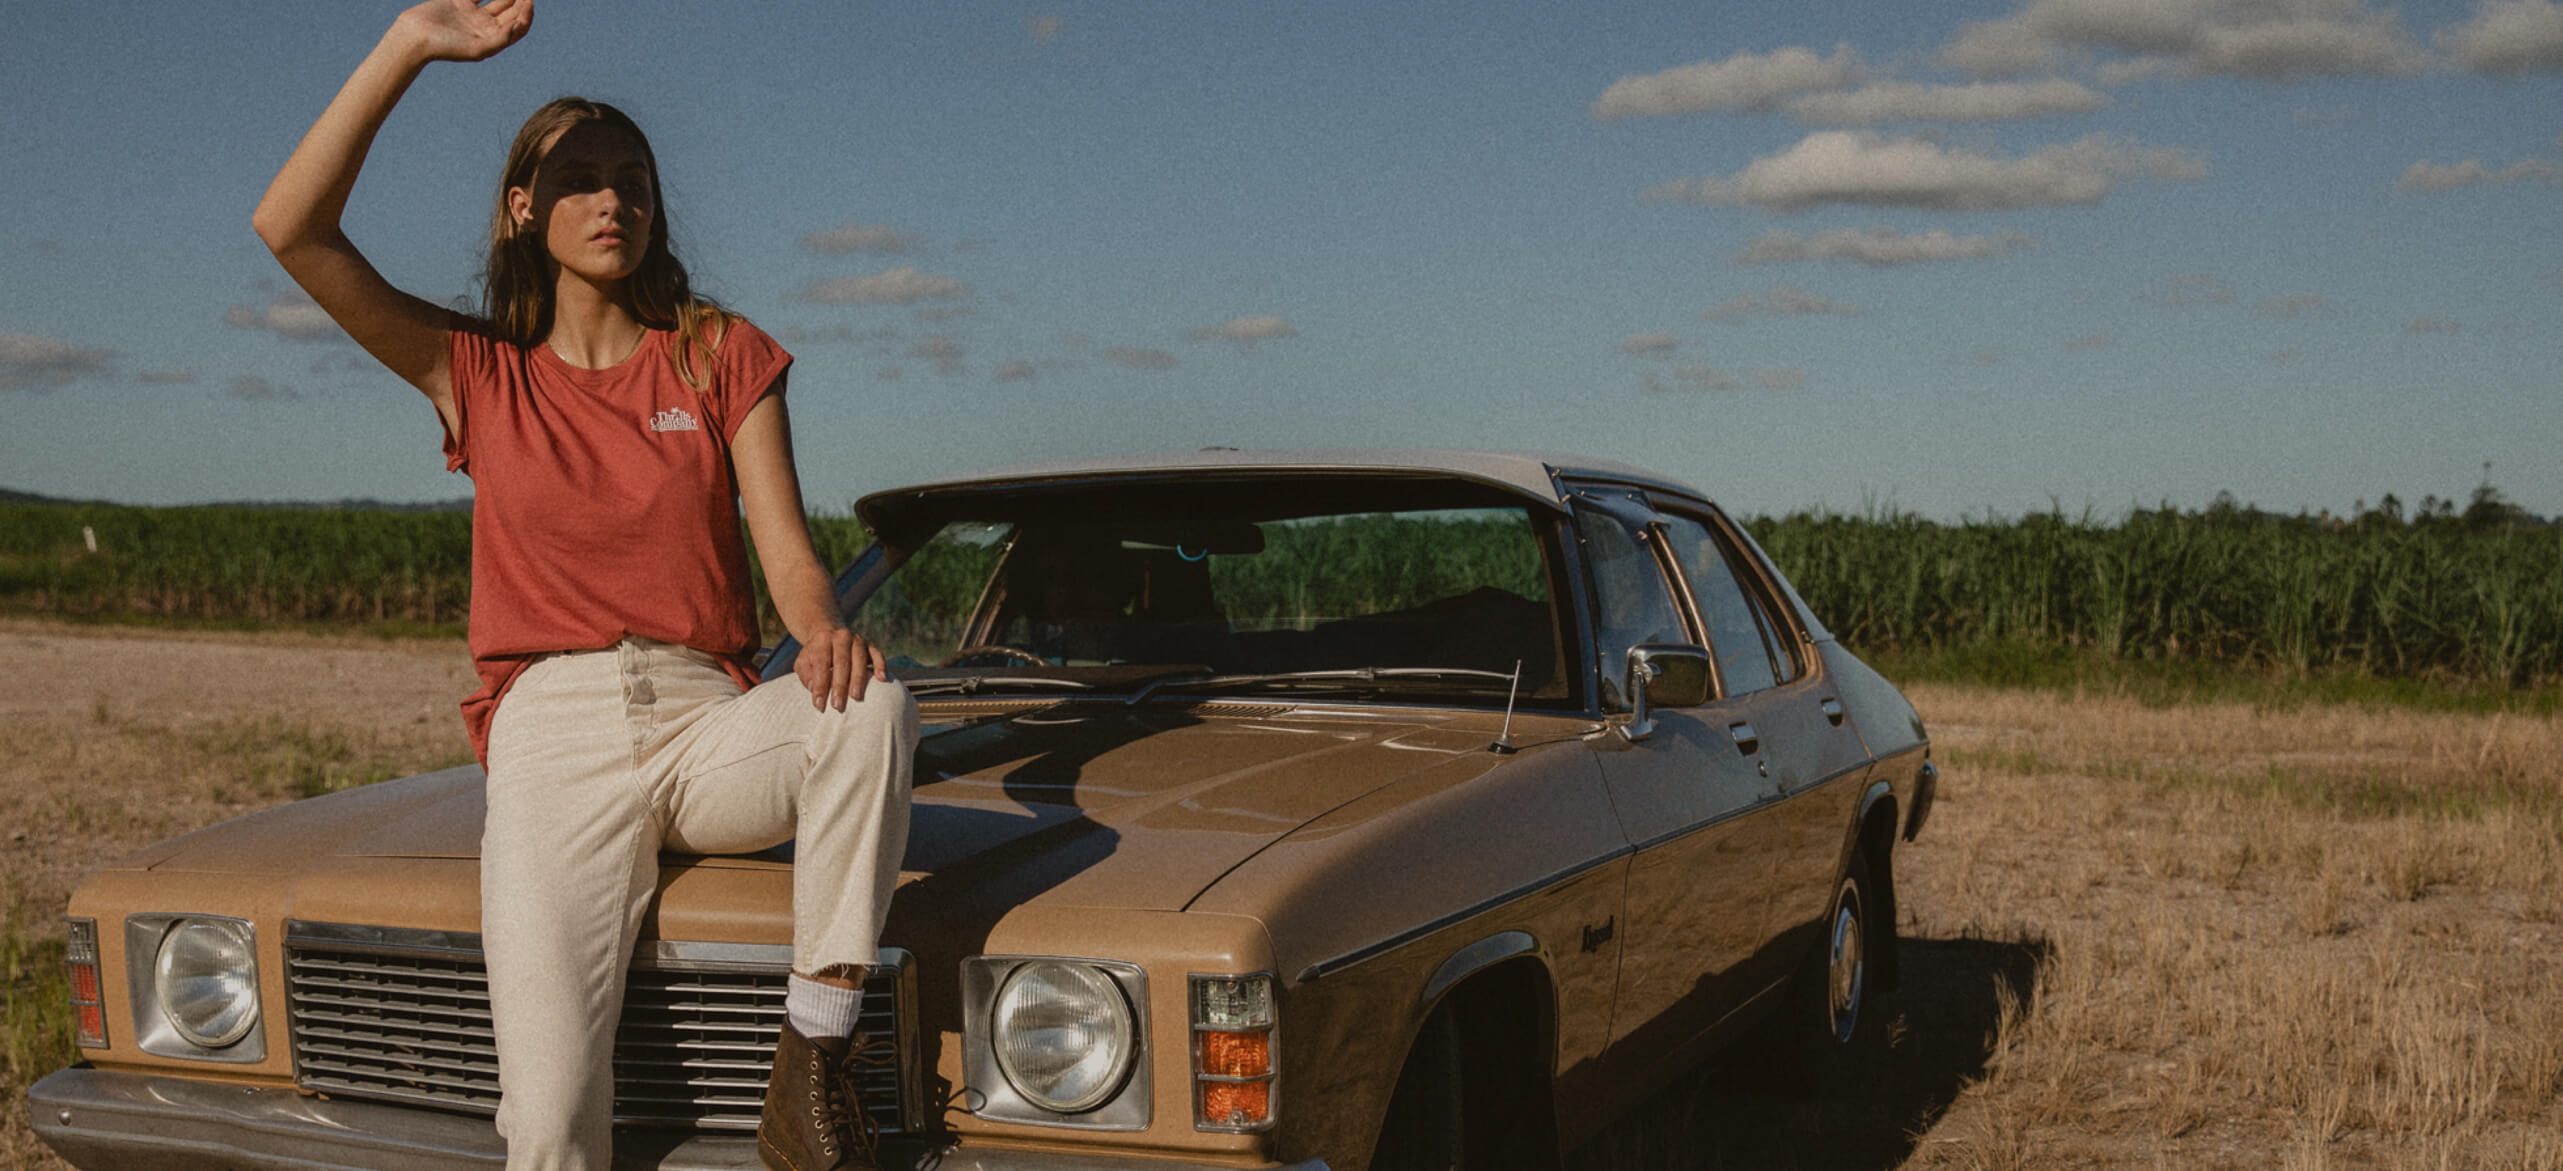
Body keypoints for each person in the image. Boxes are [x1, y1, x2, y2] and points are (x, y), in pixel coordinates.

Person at [252, 2, 916, 1168]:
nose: (613, 202)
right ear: (524, 209)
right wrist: (411, 43)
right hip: (551, 737)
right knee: (551, 1124)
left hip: (708, 723)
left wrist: (820, 633)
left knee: (870, 703)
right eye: (581, 180)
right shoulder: (478, 374)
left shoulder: (718, 352)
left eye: (634, 182)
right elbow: (291, 228)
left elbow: (791, 557)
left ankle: (810, 1060)